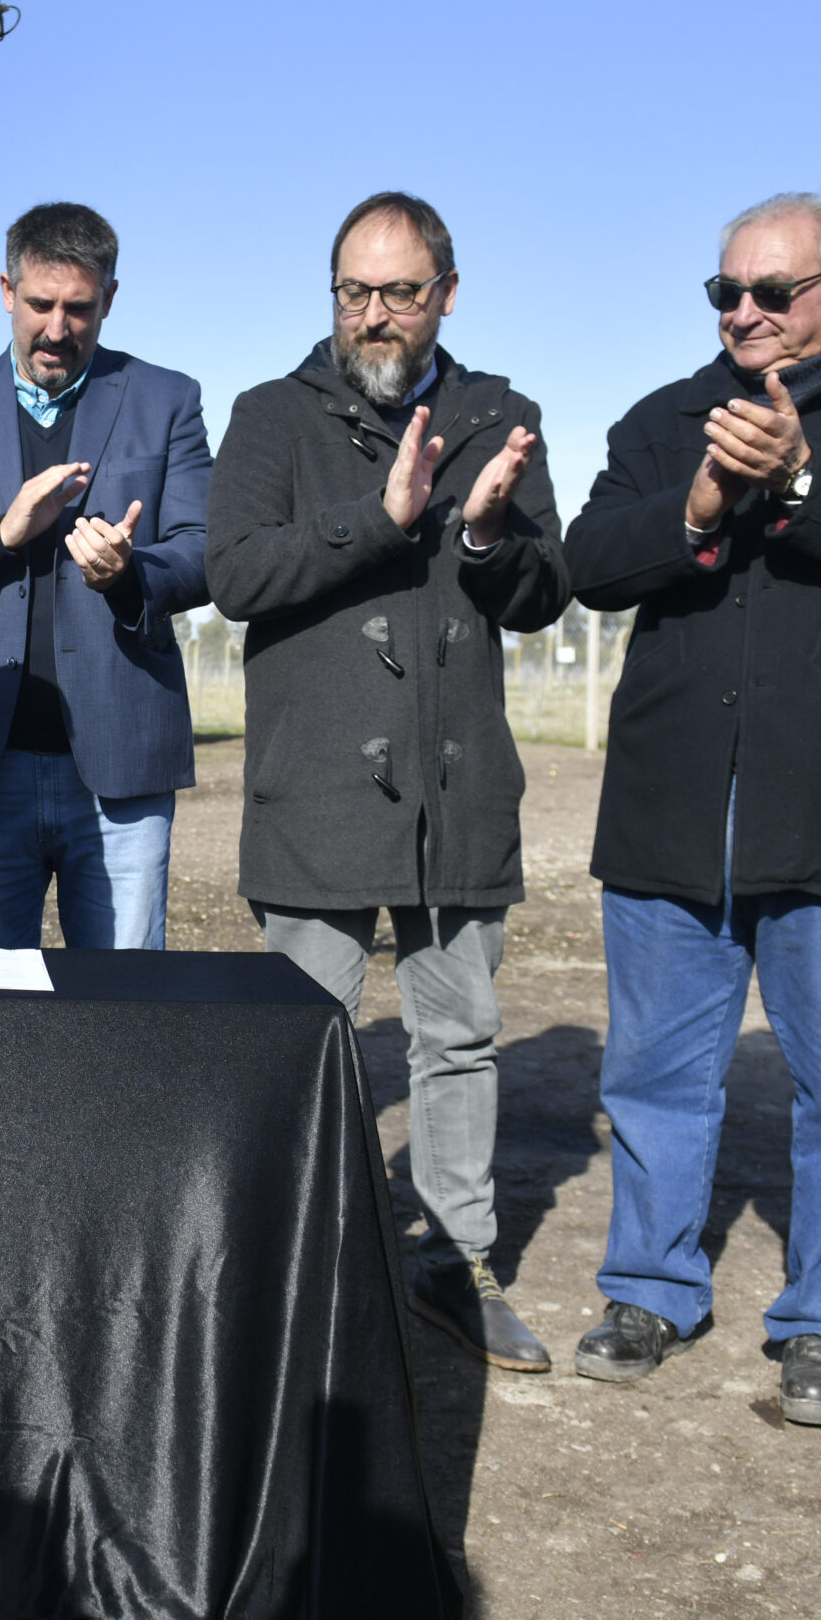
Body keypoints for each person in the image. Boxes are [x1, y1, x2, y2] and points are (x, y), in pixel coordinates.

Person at [565, 193, 821, 1428]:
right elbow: (591, 562)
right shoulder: (665, 419)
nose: (743, 312)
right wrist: (695, 509)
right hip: (672, 806)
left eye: (771, 290)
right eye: (725, 292)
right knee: (654, 1076)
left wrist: (804, 474)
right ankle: (649, 1290)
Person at [206, 191, 569, 1372]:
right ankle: (295, 1262)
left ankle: (453, 1264)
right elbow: (235, 574)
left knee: (457, 1037)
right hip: (313, 791)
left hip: (455, 798)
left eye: (399, 293)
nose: (373, 315)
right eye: (353, 292)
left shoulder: (498, 416)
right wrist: (381, 518)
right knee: (301, 1044)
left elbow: (542, 596)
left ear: (444, 296)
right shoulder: (270, 416)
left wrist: (484, 537)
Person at [0, 202, 211, 949]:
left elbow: (203, 548)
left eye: (79, 308)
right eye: (40, 305)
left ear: (110, 299)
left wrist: (129, 575)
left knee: (123, 1004)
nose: (57, 329)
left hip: (123, 774)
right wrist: (0, 536)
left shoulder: (168, 400)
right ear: (6, 291)